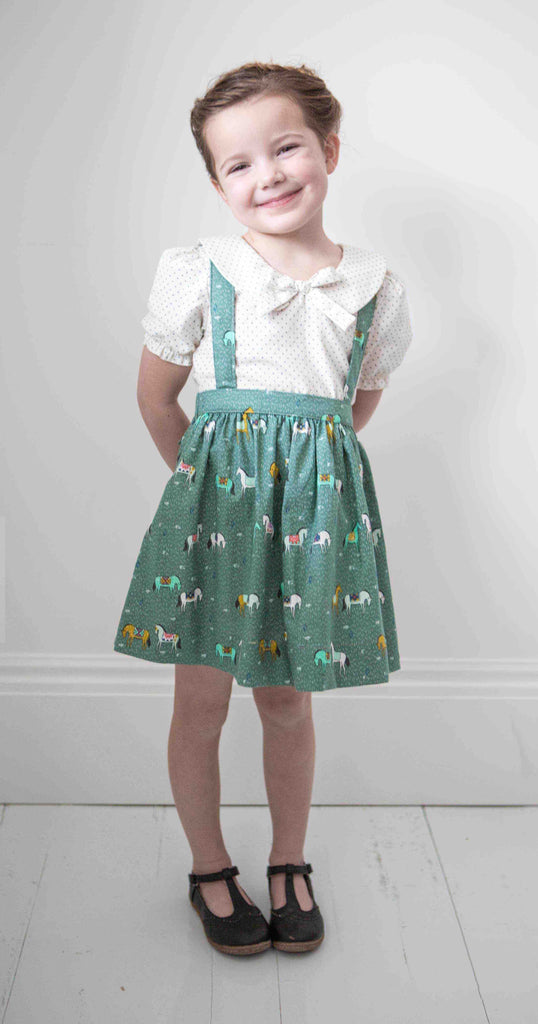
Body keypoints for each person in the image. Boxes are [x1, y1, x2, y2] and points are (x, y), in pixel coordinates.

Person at [113, 61, 413, 956]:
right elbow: (156, 400)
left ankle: (289, 860)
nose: (268, 175)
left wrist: (304, 478)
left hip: (313, 518)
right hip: (215, 513)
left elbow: (350, 411)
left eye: (286, 149)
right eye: (238, 164)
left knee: (286, 698)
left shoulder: (373, 285)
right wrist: (207, 489)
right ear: (217, 183)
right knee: (201, 699)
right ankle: (209, 866)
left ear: (329, 149)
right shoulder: (199, 271)